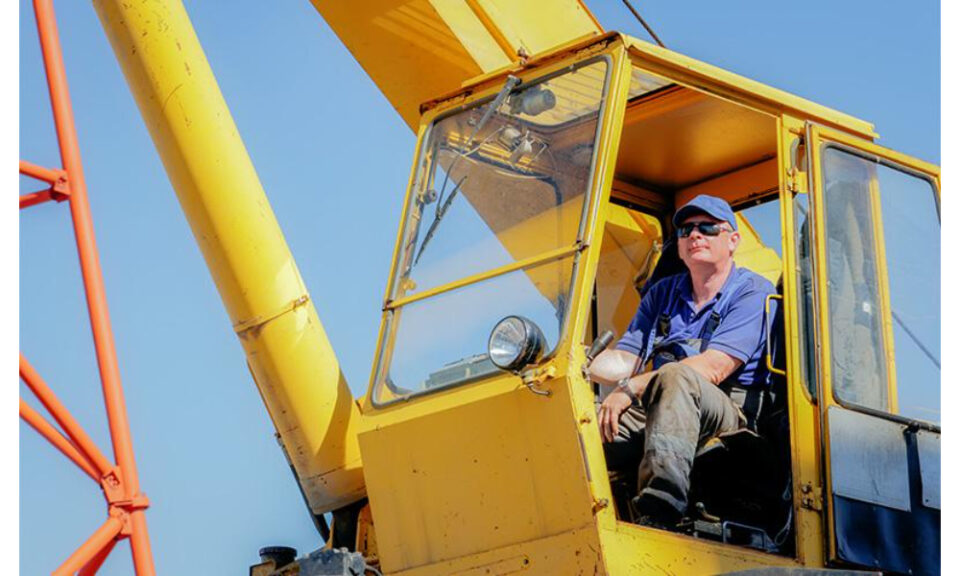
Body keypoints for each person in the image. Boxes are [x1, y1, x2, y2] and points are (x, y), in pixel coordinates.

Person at [589, 194, 776, 528]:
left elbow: (713, 368)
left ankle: (662, 503)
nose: (695, 235)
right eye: (686, 230)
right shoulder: (663, 293)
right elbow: (625, 359)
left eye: (708, 227)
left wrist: (629, 389)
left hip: (727, 414)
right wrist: (576, 361)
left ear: (733, 240)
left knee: (675, 376)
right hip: (662, 404)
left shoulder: (751, 292)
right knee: (586, 423)